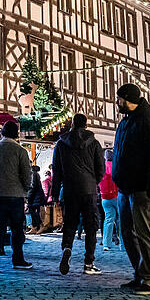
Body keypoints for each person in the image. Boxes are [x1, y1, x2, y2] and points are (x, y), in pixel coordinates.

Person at [112, 83, 150, 295]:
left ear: (127, 99)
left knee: (145, 233)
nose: (117, 103)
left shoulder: (146, 121)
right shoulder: (125, 122)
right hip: (124, 187)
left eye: (119, 99)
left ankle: (149, 277)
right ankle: (139, 272)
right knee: (126, 231)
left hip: (142, 188)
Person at [52, 113, 105, 275]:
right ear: (86, 125)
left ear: (72, 124)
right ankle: (88, 263)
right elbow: (100, 169)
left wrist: (55, 192)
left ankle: (67, 248)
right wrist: (93, 181)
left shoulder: (61, 144)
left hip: (69, 190)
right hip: (89, 191)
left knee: (70, 224)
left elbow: (57, 170)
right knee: (91, 227)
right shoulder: (94, 143)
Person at [0, 120, 33, 273]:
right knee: (17, 229)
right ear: (16, 134)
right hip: (16, 196)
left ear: (2, 133)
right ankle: (17, 259)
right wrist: (26, 190)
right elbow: (26, 175)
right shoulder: (21, 151)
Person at [99, 148, 120, 250]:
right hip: (116, 196)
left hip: (105, 197)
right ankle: (123, 244)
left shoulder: (102, 168)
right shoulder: (116, 167)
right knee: (120, 220)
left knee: (108, 220)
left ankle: (106, 243)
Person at [26, 165, 46, 234]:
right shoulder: (34, 173)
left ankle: (41, 225)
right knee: (32, 211)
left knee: (34, 212)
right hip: (35, 196)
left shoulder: (33, 173)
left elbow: (33, 186)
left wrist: (28, 196)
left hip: (35, 197)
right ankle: (34, 227)